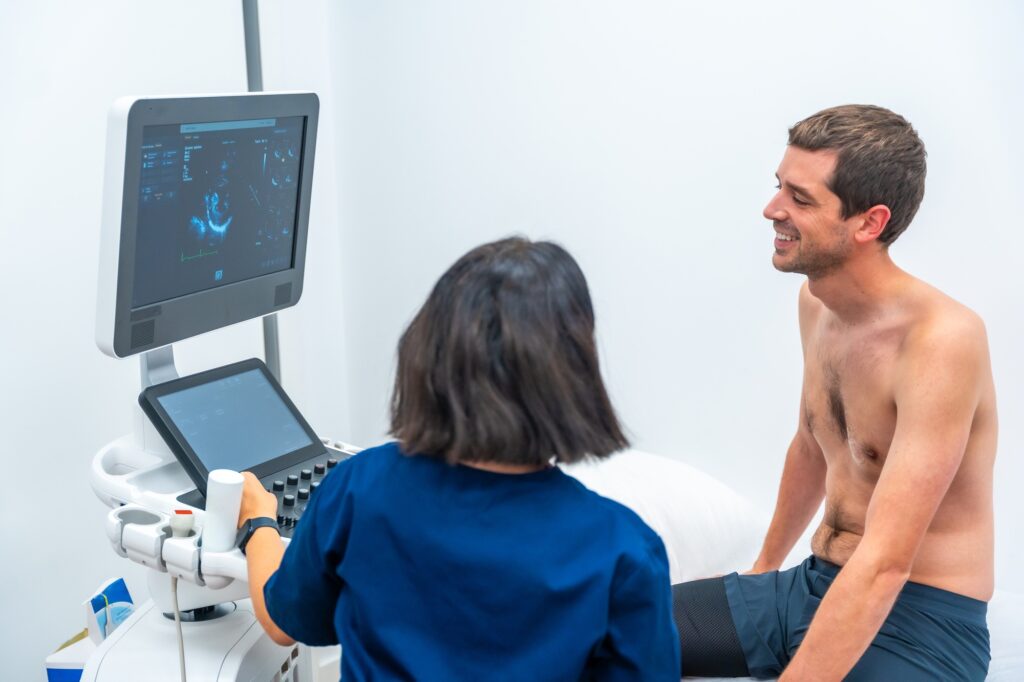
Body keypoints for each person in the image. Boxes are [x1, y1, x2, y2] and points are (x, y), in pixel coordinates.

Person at [237, 237, 681, 680]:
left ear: (428, 352)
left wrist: (259, 522)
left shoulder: (360, 488)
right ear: (573, 374)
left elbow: (282, 623)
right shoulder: (624, 553)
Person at [672, 105, 996, 680]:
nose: (772, 210)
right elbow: (810, 443)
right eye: (779, 188)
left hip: (920, 623)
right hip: (811, 586)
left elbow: (887, 562)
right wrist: (764, 569)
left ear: (869, 223)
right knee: (598, 629)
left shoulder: (941, 342)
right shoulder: (816, 306)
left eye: (800, 198)